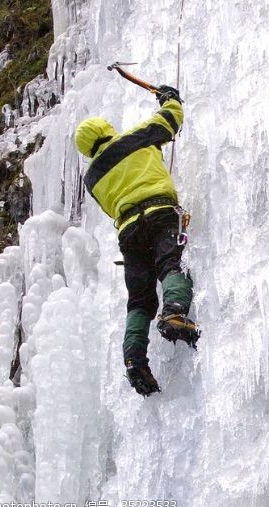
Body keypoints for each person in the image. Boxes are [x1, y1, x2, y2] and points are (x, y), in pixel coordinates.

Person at [74, 85, 200, 397]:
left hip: (128, 232)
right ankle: (174, 311)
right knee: (172, 264)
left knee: (140, 300)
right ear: (106, 129)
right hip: (160, 214)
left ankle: (134, 359)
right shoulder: (135, 139)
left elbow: (109, 207)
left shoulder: (92, 178)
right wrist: (169, 97)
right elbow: (171, 120)